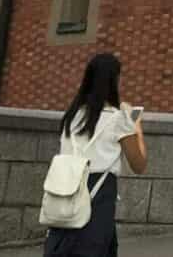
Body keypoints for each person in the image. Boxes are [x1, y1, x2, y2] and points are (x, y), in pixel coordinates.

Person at [44, 53, 146, 257]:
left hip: (64, 199)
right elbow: (139, 164)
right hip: (97, 201)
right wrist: (136, 126)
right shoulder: (118, 119)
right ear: (114, 81)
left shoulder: (72, 116)